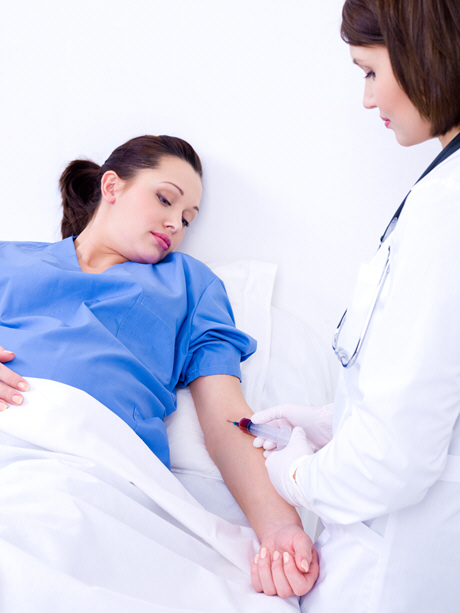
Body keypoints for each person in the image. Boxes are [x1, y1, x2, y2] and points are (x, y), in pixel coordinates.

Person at [0, 134, 318, 599]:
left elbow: (227, 417)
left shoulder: (190, 284)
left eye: (188, 219)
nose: (175, 224)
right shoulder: (10, 260)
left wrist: (278, 530)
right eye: (165, 199)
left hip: (90, 462)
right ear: (112, 187)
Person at [251, 1, 460, 611]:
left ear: (426, 49)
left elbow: (396, 457)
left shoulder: (445, 209)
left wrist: (296, 478)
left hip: (393, 571)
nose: (367, 100)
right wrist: (334, 420)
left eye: (369, 71)